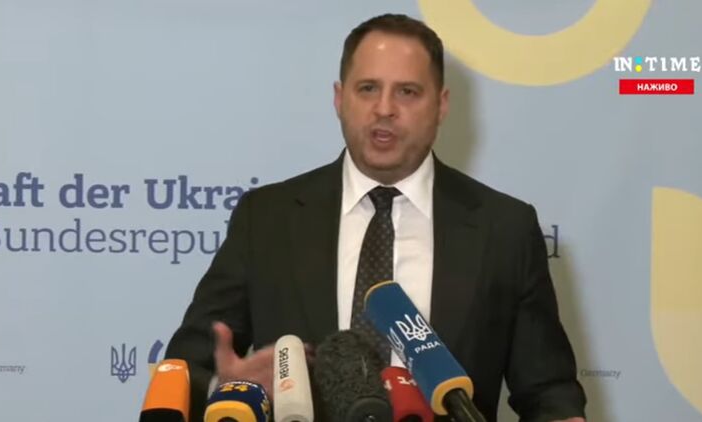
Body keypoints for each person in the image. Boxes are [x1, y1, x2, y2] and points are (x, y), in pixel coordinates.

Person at [165, 13, 586, 422]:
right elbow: (185, 370)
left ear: (441, 105)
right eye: (368, 88)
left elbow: (548, 393)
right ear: (339, 98)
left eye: (407, 92)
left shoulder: (504, 228)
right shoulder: (266, 219)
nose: (384, 108)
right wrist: (227, 389)